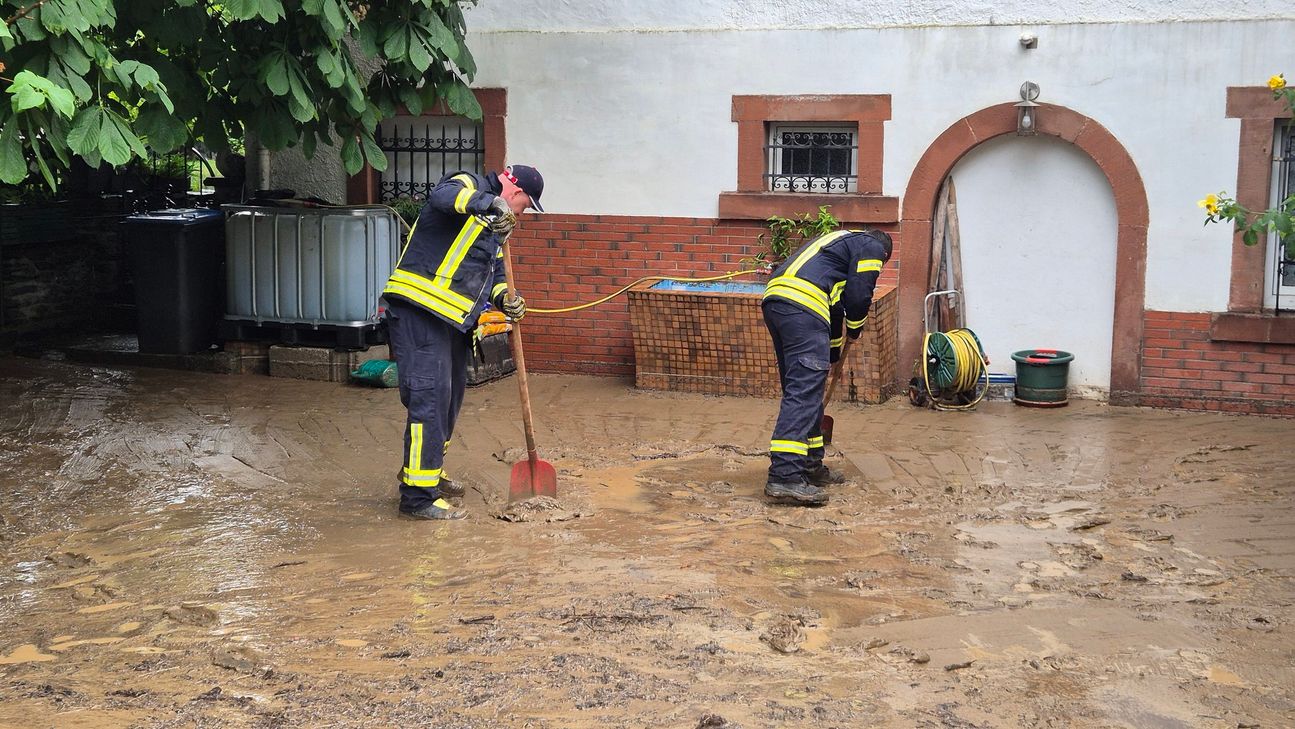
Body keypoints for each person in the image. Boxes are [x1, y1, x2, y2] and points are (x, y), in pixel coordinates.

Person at [382, 165, 545, 520]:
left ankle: (426, 472)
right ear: (514, 192)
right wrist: (490, 204)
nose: (521, 214)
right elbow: (442, 197)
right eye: (524, 206)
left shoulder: (495, 229)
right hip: (419, 312)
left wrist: (507, 300)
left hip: (453, 325)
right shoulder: (468, 186)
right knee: (430, 399)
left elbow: (497, 276)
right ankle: (417, 499)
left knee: (450, 399)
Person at [761, 227, 892, 506]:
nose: (878, 266)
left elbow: (835, 308)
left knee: (803, 390)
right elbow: (859, 296)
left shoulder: (836, 248)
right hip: (804, 308)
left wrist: (832, 353)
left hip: (779, 302)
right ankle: (784, 476)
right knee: (804, 394)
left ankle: (810, 467)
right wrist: (856, 328)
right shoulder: (871, 245)